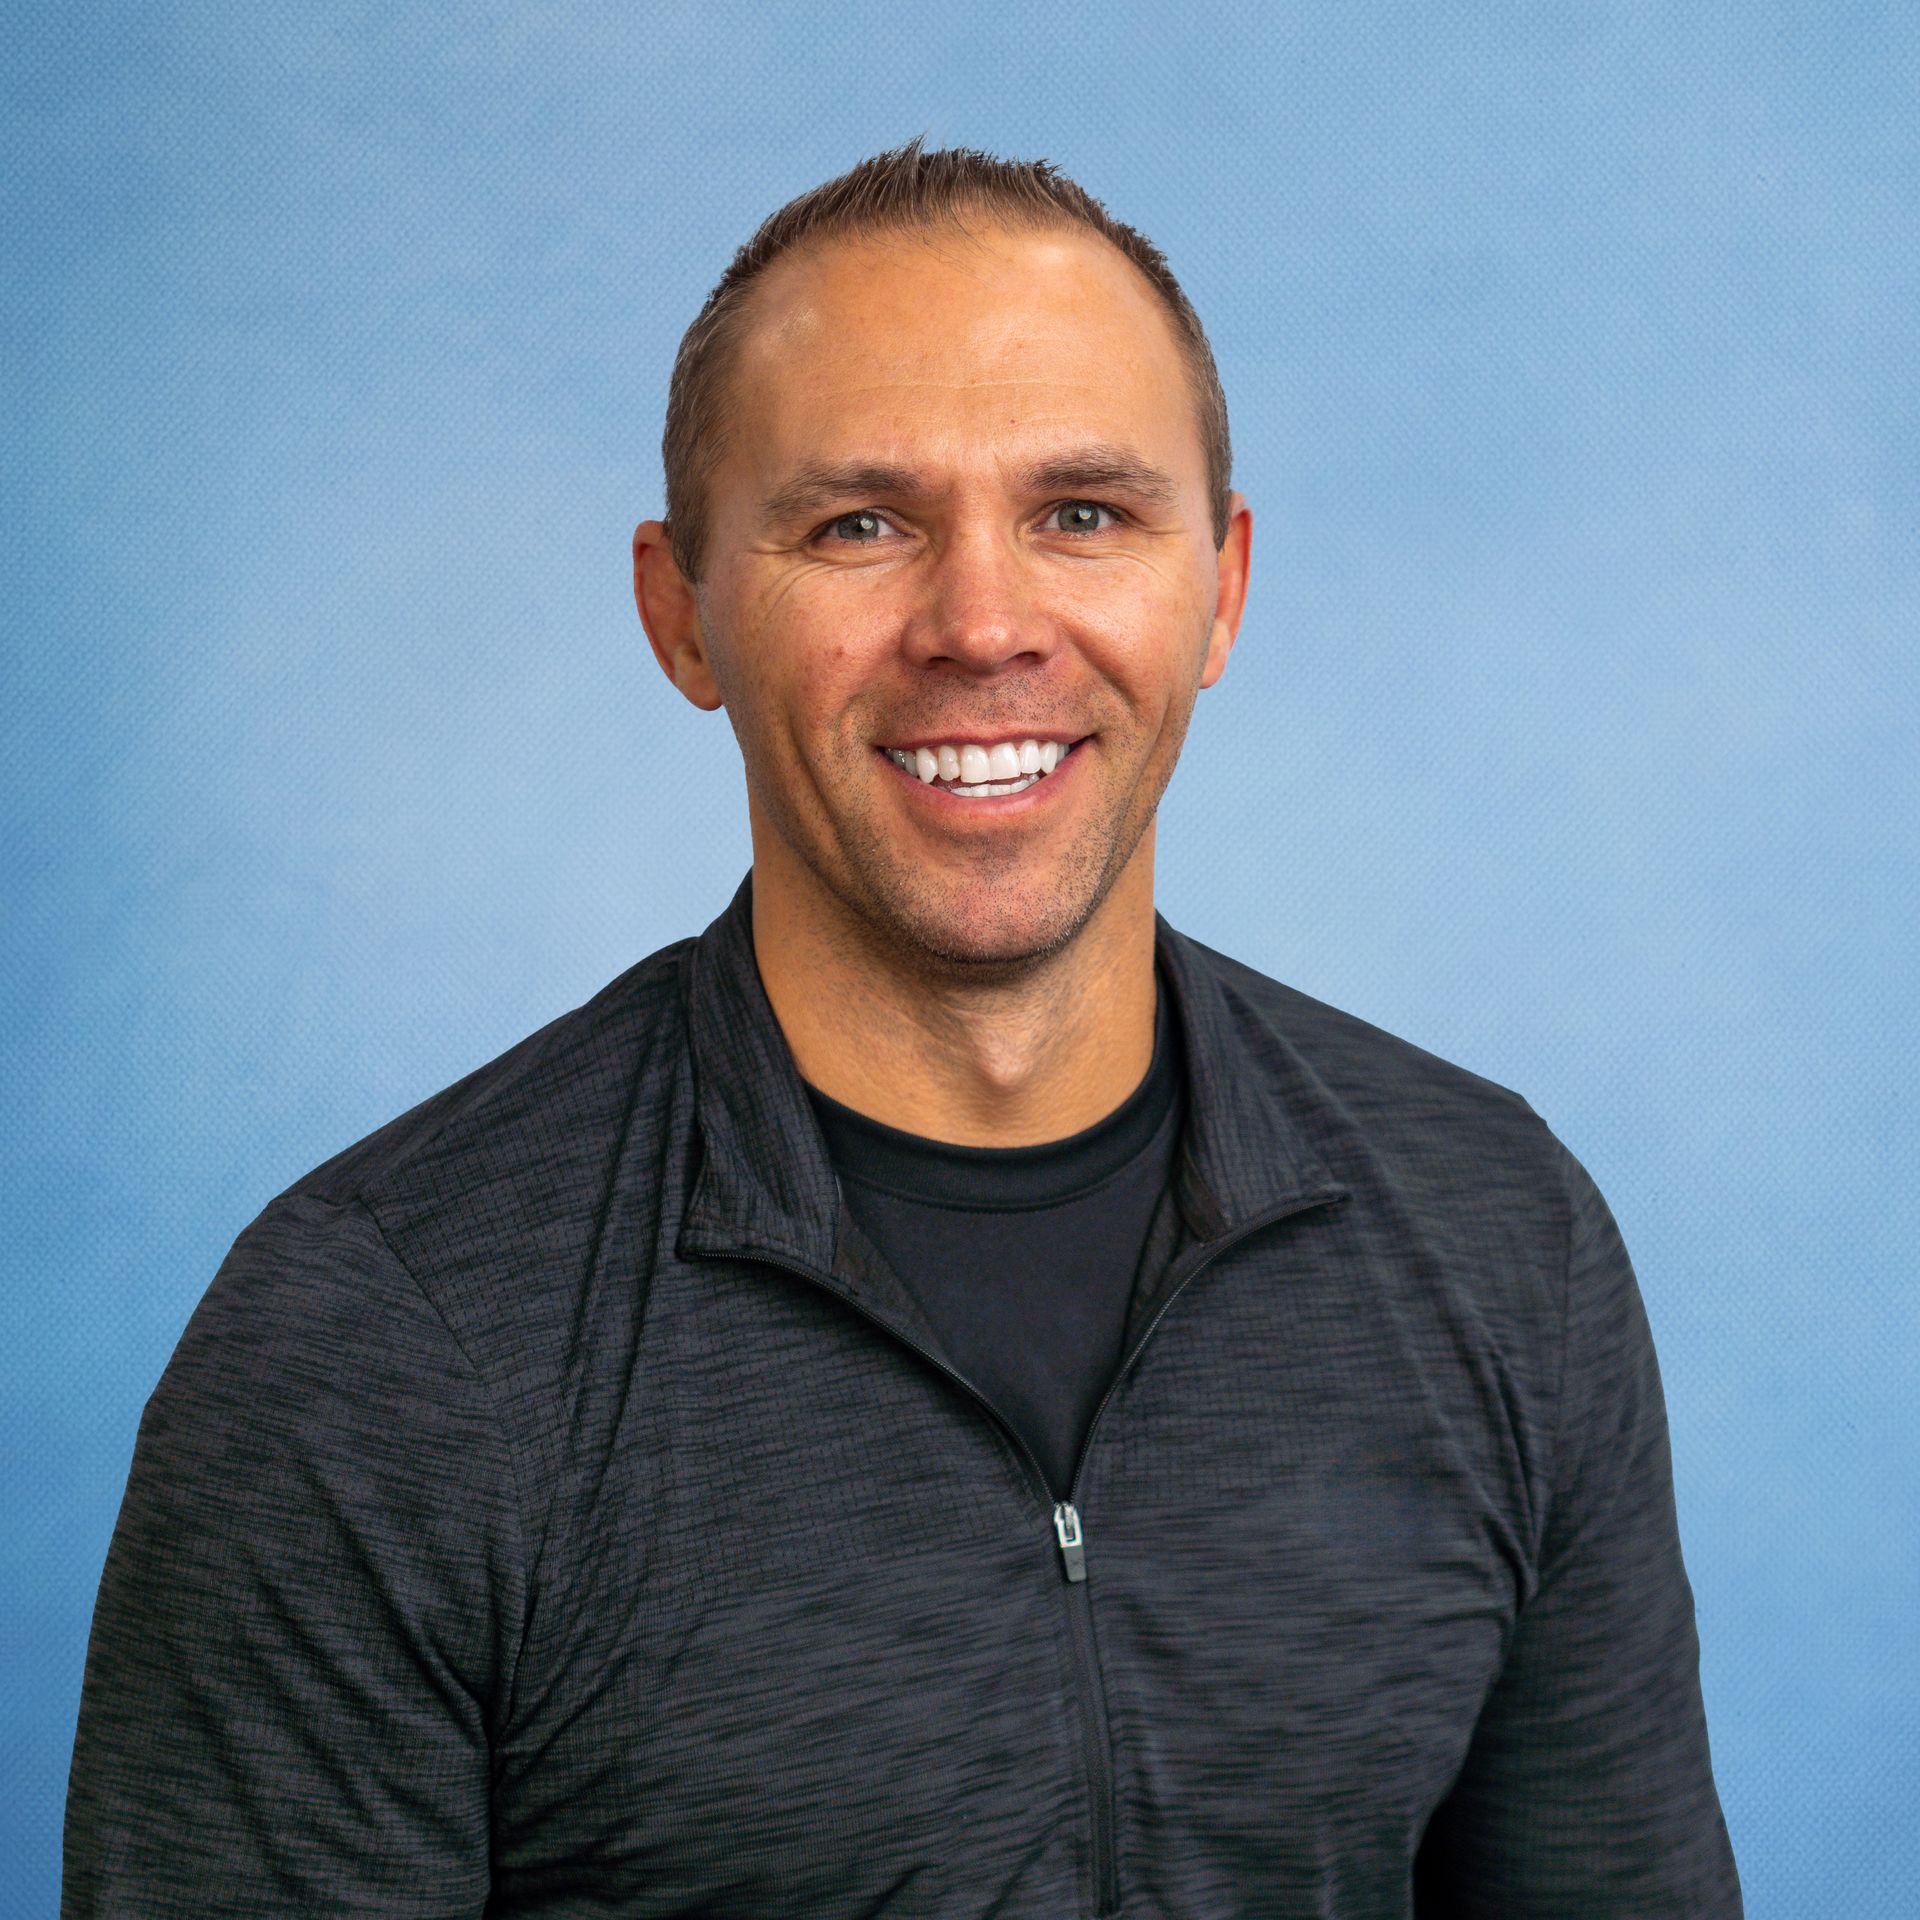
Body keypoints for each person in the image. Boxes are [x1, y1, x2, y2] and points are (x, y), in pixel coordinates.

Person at [63, 139, 1743, 1918]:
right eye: (860, 523)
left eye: (1083, 512)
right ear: (680, 610)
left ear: (1222, 589)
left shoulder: (1498, 1237)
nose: (984, 623)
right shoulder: (380, 1345)